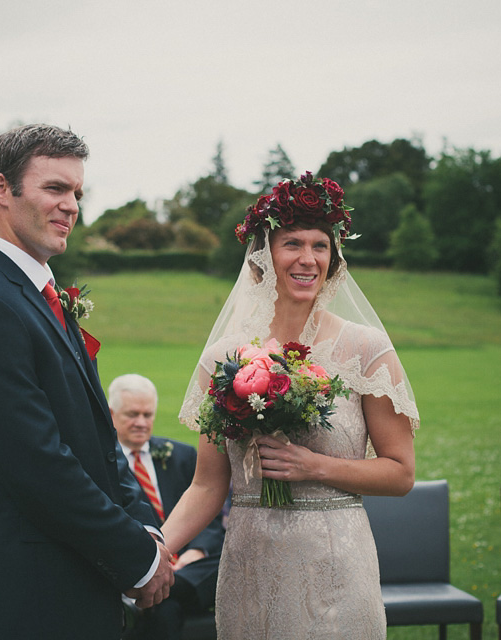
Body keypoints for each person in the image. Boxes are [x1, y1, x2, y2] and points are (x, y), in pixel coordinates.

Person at [0, 124, 174, 640]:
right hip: (20, 595)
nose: (71, 206)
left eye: (77, 193)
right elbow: (36, 463)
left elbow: (97, 440)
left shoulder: (42, 295)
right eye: (55, 189)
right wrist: (136, 557)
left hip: (73, 580)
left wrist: (145, 527)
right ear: (1, 190)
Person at [161, 172, 420, 639]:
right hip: (251, 569)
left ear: (334, 258)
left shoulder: (367, 349)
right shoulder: (225, 358)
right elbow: (205, 486)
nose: (308, 259)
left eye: (320, 245)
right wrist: (156, 551)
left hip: (337, 567)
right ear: (264, 257)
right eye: (292, 244)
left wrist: (313, 466)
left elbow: (400, 473)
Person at [108, 374, 225, 640]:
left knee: (230, 558)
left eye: (148, 414)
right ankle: (158, 585)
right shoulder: (106, 465)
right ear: (111, 414)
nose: (141, 422)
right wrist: (154, 563)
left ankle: (149, 594)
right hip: (140, 560)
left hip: (191, 565)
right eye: (132, 414)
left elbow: (212, 516)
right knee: (167, 609)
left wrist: (195, 551)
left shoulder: (182, 456)